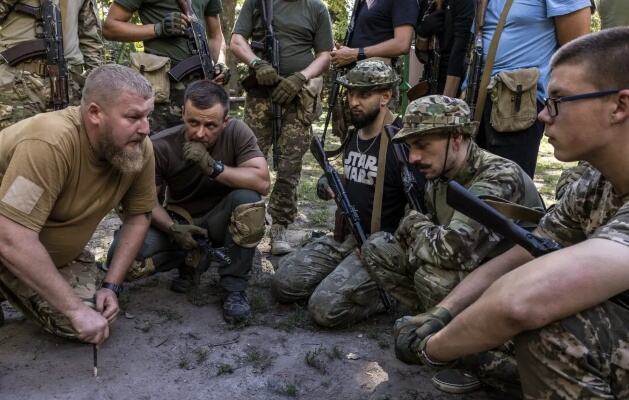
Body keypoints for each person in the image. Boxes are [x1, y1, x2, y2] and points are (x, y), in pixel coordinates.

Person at [396, 28, 629, 399]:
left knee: (557, 329)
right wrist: (443, 311)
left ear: (619, 106)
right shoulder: (594, 182)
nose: (541, 116)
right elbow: (527, 251)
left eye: (558, 101)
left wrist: (432, 348)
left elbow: (522, 301)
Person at [360, 94, 544, 395]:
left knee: (433, 275)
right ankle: (439, 325)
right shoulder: (443, 171)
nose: (413, 157)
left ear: (457, 138)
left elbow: (450, 250)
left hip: (517, 286)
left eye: (422, 145)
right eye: (410, 147)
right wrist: (422, 231)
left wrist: (416, 225)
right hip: (475, 272)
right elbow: (434, 236)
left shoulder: (497, 177)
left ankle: (479, 355)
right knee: (379, 248)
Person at [0, 64, 156, 344]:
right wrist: (73, 309)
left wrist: (112, 285)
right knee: (78, 316)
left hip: (41, 254)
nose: (145, 128)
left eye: (148, 116)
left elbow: (139, 216)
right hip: (10, 245)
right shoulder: (50, 142)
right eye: (133, 117)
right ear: (95, 113)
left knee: (97, 319)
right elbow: (10, 237)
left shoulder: (138, 149)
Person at [272, 60, 424, 328]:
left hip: (382, 250)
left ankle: (389, 292)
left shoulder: (402, 143)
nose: (354, 101)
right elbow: (353, 179)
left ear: (385, 96)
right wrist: (325, 184)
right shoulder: (355, 133)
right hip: (347, 238)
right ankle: (342, 277)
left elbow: (419, 208)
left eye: (364, 94)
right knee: (283, 283)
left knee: (323, 309)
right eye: (351, 93)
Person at [107, 80, 270, 323]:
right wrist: (173, 229)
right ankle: (190, 259)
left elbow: (262, 181)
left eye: (210, 125)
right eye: (193, 122)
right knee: (124, 261)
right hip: (179, 220)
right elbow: (147, 201)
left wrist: (212, 167)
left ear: (225, 122)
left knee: (249, 201)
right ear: (183, 113)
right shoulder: (161, 145)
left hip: (220, 219)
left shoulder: (237, 132)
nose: (200, 132)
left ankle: (234, 288)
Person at [230, 0, 333, 255]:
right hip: (259, 98)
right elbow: (236, 41)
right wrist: (256, 63)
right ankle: (246, 222)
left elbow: (325, 55)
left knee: (290, 166)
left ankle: (280, 227)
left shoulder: (316, 9)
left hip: (298, 99)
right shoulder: (257, 3)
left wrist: (301, 77)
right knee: (249, 161)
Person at [470, 0, 590, 178]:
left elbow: (576, 51)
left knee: (509, 191)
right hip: (476, 100)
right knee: (474, 191)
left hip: (516, 105)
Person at [103, 0, 228, 133]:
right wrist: (158, 29)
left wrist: (220, 62)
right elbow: (110, 28)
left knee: (200, 146)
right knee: (156, 146)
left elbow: (215, 35)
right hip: (162, 89)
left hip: (201, 89)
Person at [0, 0, 104, 128]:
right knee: (12, 143)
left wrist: (95, 87)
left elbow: (90, 39)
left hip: (68, 85)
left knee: (62, 143)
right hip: (17, 85)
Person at [330, 0, 419, 137]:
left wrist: (355, 53)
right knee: (353, 141)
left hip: (377, 86)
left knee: (376, 140)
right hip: (354, 84)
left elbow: (402, 44)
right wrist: (344, 54)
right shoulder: (361, 3)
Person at [414, 0, 474, 97]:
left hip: (453, 81)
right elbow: (421, 56)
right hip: (430, 77)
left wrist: (447, 100)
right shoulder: (426, 3)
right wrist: (423, 32)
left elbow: (459, 52)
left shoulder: (464, 3)